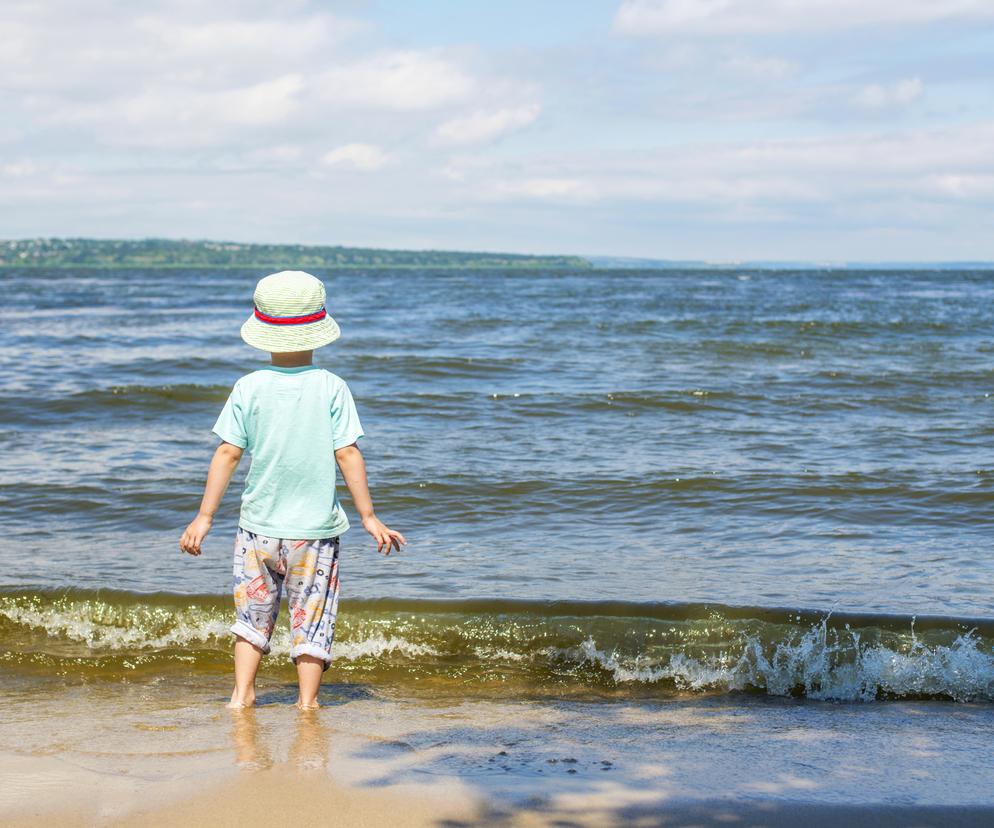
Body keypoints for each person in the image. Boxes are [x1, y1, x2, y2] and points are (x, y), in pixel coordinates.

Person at [179, 270, 405, 709]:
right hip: (314, 534)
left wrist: (203, 517)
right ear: (318, 332)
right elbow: (348, 455)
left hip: (256, 532)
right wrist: (369, 517)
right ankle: (307, 704)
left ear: (263, 332)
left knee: (252, 618)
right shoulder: (332, 387)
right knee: (312, 619)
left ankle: (242, 695)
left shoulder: (249, 386)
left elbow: (227, 453)